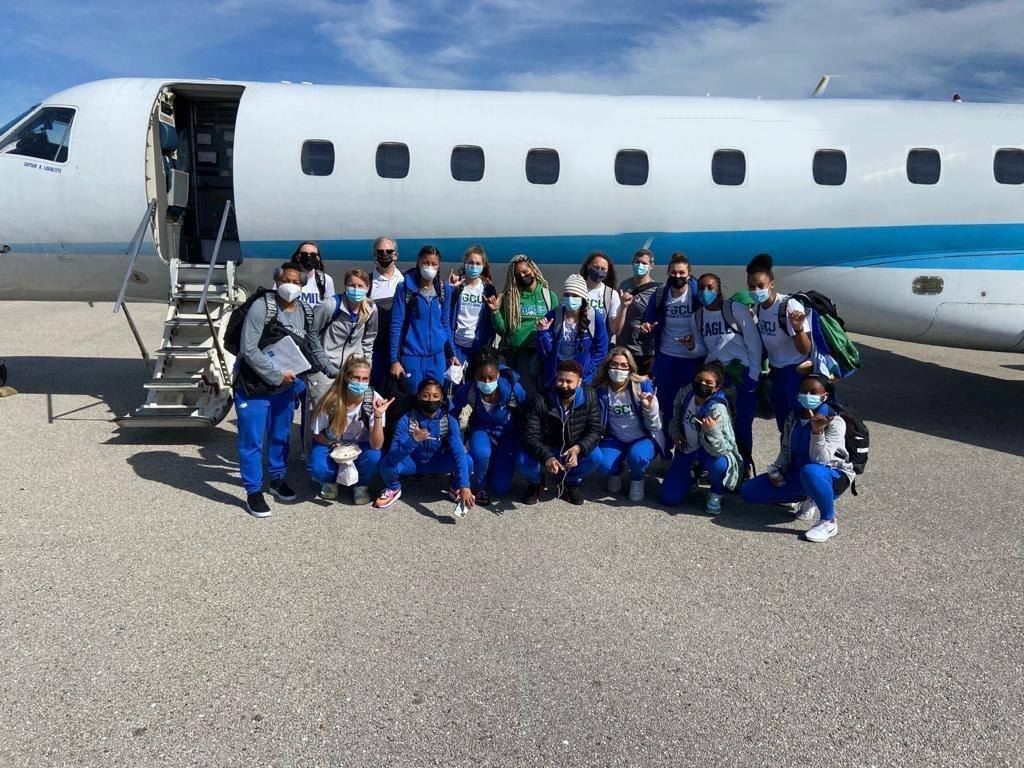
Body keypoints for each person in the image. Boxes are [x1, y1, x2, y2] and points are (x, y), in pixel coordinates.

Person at [235, 262, 339, 518]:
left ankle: (277, 478)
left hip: (284, 387)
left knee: (280, 435)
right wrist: (276, 375)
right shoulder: (262, 306)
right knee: (252, 440)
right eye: (285, 281)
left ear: (303, 285)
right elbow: (248, 349)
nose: (290, 286)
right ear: (277, 280)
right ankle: (253, 490)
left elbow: (313, 346)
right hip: (254, 386)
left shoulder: (305, 311)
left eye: (295, 282)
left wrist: (332, 371)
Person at [740, 374, 854, 542]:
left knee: (811, 471)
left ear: (825, 396)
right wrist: (777, 470)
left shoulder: (835, 421)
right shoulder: (793, 417)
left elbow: (821, 460)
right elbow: (786, 450)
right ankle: (807, 497)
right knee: (749, 492)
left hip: (831, 475)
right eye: (803, 391)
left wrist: (817, 431)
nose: (807, 395)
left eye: (813, 392)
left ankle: (828, 521)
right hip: (798, 472)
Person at [693, 272, 762, 470]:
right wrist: (691, 347)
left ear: (719, 289)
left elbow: (754, 343)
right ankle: (714, 465)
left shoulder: (734, 309)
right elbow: (702, 349)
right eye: (701, 288)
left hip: (741, 374)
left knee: (741, 424)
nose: (705, 292)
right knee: (713, 421)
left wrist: (753, 375)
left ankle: (743, 466)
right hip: (716, 378)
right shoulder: (697, 317)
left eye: (710, 288)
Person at [373, 378, 475, 511]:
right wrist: (413, 440)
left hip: (438, 461)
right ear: (419, 397)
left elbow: (459, 453)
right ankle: (394, 488)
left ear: (442, 398)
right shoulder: (407, 419)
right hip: (413, 463)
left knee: (467, 460)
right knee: (387, 464)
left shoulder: (449, 421)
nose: (431, 400)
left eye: (435, 396)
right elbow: (393, 456)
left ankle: (455, 486)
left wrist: (465, 485)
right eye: (426, 396)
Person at [659, 361, 743, 515]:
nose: (702, 384)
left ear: (716, 388)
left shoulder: (717, 409)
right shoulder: (686, 393)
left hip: (710, 453)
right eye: (699, 380)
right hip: (687, 450)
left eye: (708, 383)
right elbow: (675, 417)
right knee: (668, 498)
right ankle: (691, 478)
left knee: (718, 465)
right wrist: (675, 433)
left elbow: (724, 448)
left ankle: (716, 492)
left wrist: (712, 431)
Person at [518, 360, 604, 505]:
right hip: (548, 446)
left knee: (595, 457)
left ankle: (569, 481)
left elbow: (595, 430)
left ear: (579, 382)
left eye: (569, 381)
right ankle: (536, 482)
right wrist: (547, 457)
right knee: (523, 460)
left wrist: (579, 448)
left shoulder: (589, 396)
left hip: (572, 448)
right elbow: (529, 435)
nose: (564, 385)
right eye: (560, 380)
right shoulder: (540, 399)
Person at [639, 252, 706, 439]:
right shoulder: (661, 294)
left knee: (689, 406)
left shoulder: (697, 295)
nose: (678, 276)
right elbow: (649, 321)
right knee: (665, 405)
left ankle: (689, 448)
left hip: (692, 359)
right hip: (666, 357)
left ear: (689, 274)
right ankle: (666, 447)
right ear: (668, 273)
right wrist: (646, 328)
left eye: (682, 273)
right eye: (674, 273)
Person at [309, 356, 391, 505]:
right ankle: (330, 481)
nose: (360, 383)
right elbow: (317, 434)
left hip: (361, 445)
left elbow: (377, 445)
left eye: (365, 379)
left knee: (374, 456)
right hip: (332, 442)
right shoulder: (331, 399)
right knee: (318, 466)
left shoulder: (374, 400)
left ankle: (361, 484)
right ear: (347, 378)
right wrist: (333, 445)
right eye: (356, 378)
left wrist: (378, 415)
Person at [449, 349, 527, 505]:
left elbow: (528, 412)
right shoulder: (470, 389)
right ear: (474, 377)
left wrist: (525, 441)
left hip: (508, 434)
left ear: (498, 375)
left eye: (491, 377)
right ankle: (478, 485)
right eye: (481, 378)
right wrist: (457, 438)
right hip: (481, 429)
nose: (486, 382)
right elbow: (451, 412)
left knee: (500, 488)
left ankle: (495, 465)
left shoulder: (513, 390)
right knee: (481, 453)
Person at [746, 253, 812, 430]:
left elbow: (805, 348)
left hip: (795, 372)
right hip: (776, 373)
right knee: (783, 425)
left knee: (798, 423)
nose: (755, 290)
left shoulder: (788, 306)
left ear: (771, 284)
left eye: (760, 286)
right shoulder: (758, 308)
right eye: (751, 287)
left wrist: (798, 328)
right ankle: (787, 446)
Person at [593, 347, 666, 502]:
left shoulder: (641, 386)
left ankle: (637, 479)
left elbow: (655, 426)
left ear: (630, 368)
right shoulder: (601, 390)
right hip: (615, 437)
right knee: (602, 463)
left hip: (641, 437)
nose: (618, 369)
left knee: (639, 458)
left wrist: (650, 409)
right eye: (614, 364)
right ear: (607, 366)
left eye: (623, 365)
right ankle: (615, 472)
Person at [389, 245, 458, 391]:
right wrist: (394, 360)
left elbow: (445, 323)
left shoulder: (444, 290)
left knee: (435, 397)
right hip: (412, 356)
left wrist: (452, 353)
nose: (430, 267)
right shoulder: (404, 289)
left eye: (434, 264)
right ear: (419, 262)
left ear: (439, 266)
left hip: (437, 357)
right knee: (414, 396)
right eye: (426, 263)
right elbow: (396, 325)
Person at [488, 254, 558, 396]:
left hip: (538, 356)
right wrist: (495, 312)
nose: (522, 276)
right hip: (515, 355)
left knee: (535, 395)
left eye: (525, 272)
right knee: (514, 394)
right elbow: (503, 330)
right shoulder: (511, 297)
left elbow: (555, 327)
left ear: (533, 270)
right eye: (518, 274)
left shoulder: (549, 296)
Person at [309, 267, 378, 405]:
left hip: (352, 370)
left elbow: (369, 338)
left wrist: (367, 365)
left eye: (360, 286)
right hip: (324, 369)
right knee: (319, 412)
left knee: (346, 411)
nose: (356, 289)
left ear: (367, 288)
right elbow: (311, 334)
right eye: (352, 285)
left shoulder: (371, 309)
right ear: (345, 286)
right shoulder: (330, 305)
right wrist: (326, 366)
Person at [536, 274, 609, 389]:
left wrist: (587, 369)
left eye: (575, 295)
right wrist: (542, 332)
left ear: (582, 298)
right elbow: (545, 352)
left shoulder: (594, 317)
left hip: (582, 377)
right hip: (557, 375)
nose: (570, 299)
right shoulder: (554, 315)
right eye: (567, 295)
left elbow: (602, 349)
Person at [448, 244, 498, 364]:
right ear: (465, 263)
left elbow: (491, 322)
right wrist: (450, 288)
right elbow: (446, 314)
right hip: (456, 344)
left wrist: (487, 344)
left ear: (483, 265)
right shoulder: (457, 285)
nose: (474, 266)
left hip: (477, 346)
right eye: (471, 262)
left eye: (478, 263)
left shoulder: (488, 289)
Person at [617, 248, 661, 375]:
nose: (640, 265)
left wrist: (656, 355)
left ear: (651, 266)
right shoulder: (624, 285)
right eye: (637, 262)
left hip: (643, 352)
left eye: (644, 263)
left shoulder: (657, 290)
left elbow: (660, 322)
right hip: (622, 349)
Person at [368, 236, 403, 389]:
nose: (384, 255)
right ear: (374, 255)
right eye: (380, 252)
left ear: (396, 255)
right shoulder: (366, 282)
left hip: (401, 349)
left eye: (389, 251)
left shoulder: (406, 281)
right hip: (377, 350)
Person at [580, 251, 624, 339]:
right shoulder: (577, 289)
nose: (599, 271)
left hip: (599, 341)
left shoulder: (611, 294)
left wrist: (624, 307)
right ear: (588, 266)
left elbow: (615, 329)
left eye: (603, 269)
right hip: (578, 339)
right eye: (596, 267)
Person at [290, 241, 335, 309]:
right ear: (298, 257)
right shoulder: (286, 277)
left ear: (318, 258)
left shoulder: (326, 280)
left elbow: (330, 308)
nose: (309, 257)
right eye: (304, 254)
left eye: (313, 255)